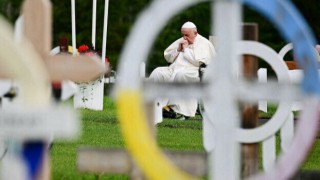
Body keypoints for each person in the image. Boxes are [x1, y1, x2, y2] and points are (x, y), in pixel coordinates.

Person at [149, 21, 216, 119]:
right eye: (183, 35)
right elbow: (168, 58)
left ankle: (178, 110)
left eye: (187, 35)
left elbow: (198, 62)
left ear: (195, 33)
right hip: (174, 69)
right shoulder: (181, 41)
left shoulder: (204, 43)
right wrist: (178, 50)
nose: (184, 38)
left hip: (195, 72)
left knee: (181, 75)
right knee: (158, 72)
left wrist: (186, 50)